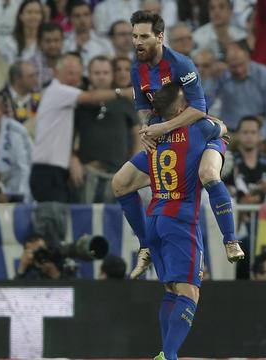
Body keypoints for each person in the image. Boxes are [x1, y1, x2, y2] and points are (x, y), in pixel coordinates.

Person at [110, 11, 243, 279]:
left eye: (144, 36)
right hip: (166, 138)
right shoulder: (137, 68)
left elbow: (198, 109)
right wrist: (147, 130)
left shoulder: (181, 65)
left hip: (200, 133)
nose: (137, 42)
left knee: (208, 174)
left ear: (159, 37)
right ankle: (146, 245)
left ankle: (230, 239)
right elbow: (143, 109)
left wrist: (164, 127)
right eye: (135, 36)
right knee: (120, 183)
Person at [129, 82, 227, 360]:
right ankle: (169, 355)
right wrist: (218, 138)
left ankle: (165, 352)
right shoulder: (197, 129)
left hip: (155, 217)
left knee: (171, 290)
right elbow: (222, 128)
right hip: (181, 220)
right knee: (189, 292)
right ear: (182, 107)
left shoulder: (153, 134)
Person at [30, 52, 130, 203]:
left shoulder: (69, 97)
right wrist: (124, 92)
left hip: (60, 170)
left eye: (77, 73)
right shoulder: (58, 91)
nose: (74, 78)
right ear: (57, 72)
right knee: (51, 218)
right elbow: (90, 97)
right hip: (47, 170)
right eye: (70, 73)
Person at [73, 55, 140, 203]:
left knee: (114, 222)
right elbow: (68, 137)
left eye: (105, 73)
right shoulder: (80, 103)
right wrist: (73, 160)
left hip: (118, 176)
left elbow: (138, 138)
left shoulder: (124, 102)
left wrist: (132, 169)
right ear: (89, 75)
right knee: (86, 220)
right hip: (87, 174)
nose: (101, 77)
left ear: (112, 75)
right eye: (97, 73)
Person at [214, 42, 266, 138]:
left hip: (259, 132)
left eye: (242, 64)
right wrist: (211, 78)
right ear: (226, 63)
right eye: (234, 67)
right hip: (230, 134)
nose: (239, 70)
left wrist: (261, 135)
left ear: (248, 57)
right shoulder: (221, 77)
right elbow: (206, 105)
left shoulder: (265, 75)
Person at [0, 61, 41, 138]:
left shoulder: (40, 99)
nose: (36, 80)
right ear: (17, 79)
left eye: (36, 75)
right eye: (31, 76)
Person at [30, 22, 64, 90]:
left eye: (56, 40)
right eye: (48, 41)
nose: (52, 45)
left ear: (62, 42)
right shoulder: (31, 66)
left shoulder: (68, 62)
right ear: (39, 43)